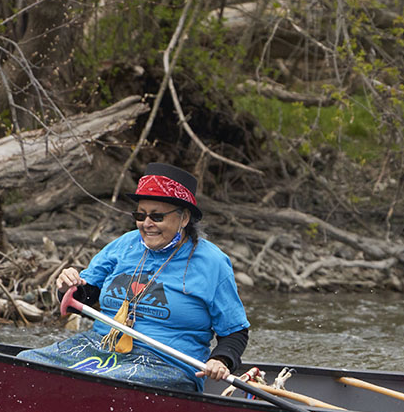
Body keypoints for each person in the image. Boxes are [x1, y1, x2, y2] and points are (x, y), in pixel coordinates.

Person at [18, 162, 250, 392]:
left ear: (184, 218)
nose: (146, 224)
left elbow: (234, 332)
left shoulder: (212, 262)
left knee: (113, 384)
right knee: (24, 362)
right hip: (100, 348)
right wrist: (67, 286)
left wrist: (221, 360)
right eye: (140, 215)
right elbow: (81, 301)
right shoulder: (123, 246)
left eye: (157, 217)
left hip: (166, 365)